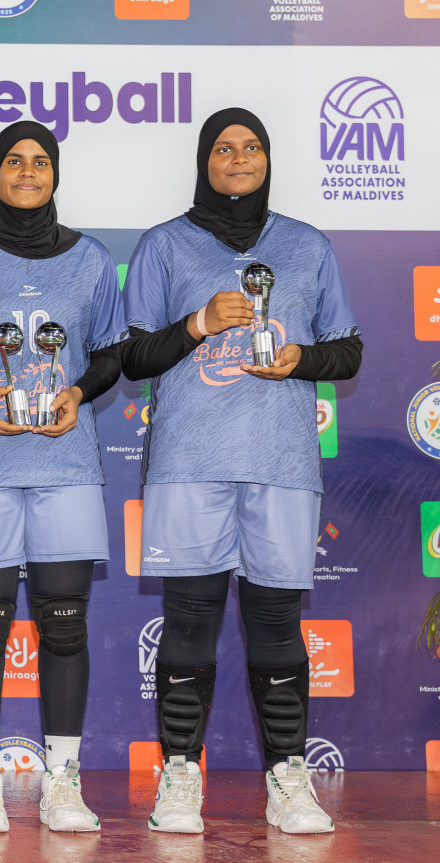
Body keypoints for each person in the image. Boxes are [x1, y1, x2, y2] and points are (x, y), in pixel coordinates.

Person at [121, 109, 360, 836]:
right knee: (189, 621)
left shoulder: (308, 245)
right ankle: (181, 774)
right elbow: (131, 358)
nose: (238, 157)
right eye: (223, 148)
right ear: (205, 159)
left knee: (277, 625)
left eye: (251, 146)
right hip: (191, 463)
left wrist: (300, 359)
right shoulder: (164, 245)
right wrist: (195, 324)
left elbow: (346, 352)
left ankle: (287, 777)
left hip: (281, 464)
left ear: (267, 157)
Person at [0, 121, 128, 833]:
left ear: (55, 174)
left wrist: (76, 394)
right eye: (15, 161)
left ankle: (62, 780)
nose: (28, 172)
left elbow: (109, 356)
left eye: (41, 162)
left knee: (65, 627)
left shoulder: (93, 261)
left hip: (65, 467)